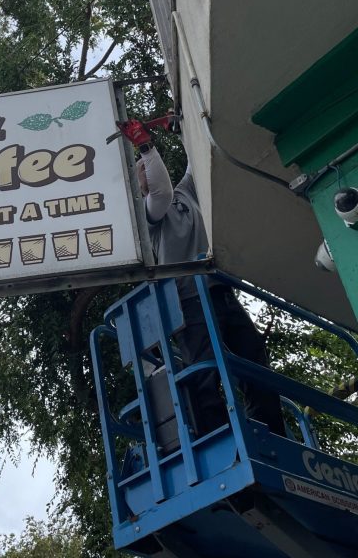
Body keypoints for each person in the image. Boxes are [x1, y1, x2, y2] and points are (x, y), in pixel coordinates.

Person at [120, 120, 286, 437]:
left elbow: (199, 160)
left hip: (219, 292)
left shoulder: (188, 194)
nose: (146, 174)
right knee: (205, 371)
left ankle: (270, 431)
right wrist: (145, 146)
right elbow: (160, 190)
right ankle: (218, 437)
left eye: (146, 168)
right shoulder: (149, 215)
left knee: (253, 359)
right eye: (141, 172)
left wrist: (183, 126)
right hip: (187, 303)